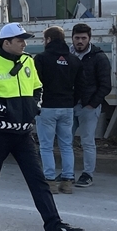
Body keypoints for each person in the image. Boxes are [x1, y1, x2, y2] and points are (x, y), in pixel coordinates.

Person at [0, 22, 84, 231]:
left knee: (38, 180)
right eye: (20, 40)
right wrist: (7, 111)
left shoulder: (28, 61)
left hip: (23, 134)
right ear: (6, 43)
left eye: (25, 39)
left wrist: (33, 107)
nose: (24, 43)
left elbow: (38, 88)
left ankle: (54, 227)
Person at [33, 25, 82, 194]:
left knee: (46, 146)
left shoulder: (41, 58)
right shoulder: (74, 60)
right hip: (67, 107)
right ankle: (67, 182)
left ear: (48, 40)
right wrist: (71, 101)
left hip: (47, 107)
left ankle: (50, 182)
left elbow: (35, 84)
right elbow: (80, 86)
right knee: (66, 145)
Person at [71, 22, 112, 188]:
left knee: (87, 142)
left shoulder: (99, 57)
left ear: (89, 39)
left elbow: (106, 85)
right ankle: (67, 173)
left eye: (83, 38)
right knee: (65, 141)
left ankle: (87, 174)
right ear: (72, 38)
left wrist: (92, 104)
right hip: (69, 106)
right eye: (77, 38)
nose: (80, 41)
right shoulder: (66, 55)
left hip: (88, 107)